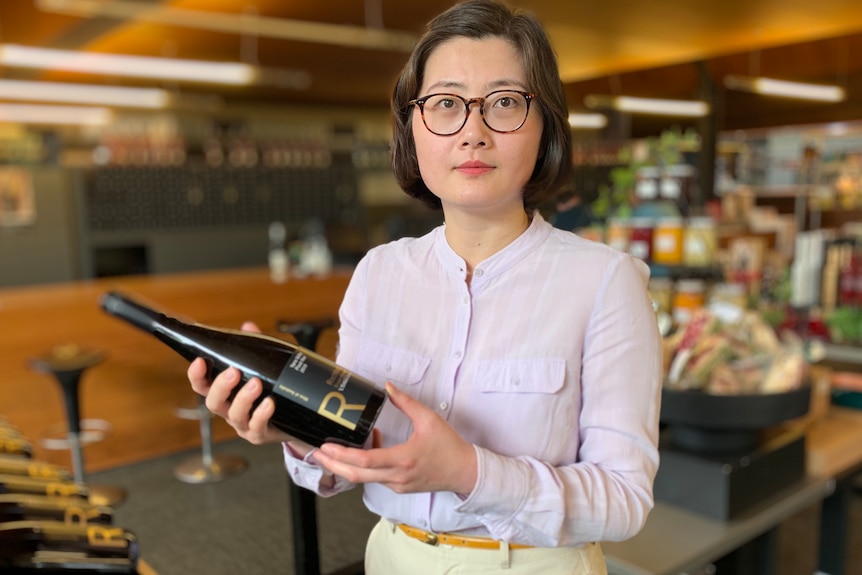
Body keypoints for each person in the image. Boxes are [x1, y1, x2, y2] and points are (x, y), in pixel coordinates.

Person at [188, 1, 662, 573]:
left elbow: (625, 499)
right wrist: (293, 427)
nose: (473, 132)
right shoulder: (380, 273)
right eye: (445, 104)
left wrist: (469, 471)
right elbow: (353, 450)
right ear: (414, 127)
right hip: (391, 555)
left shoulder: (606, 282)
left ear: (546, 126)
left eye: (506, 102)